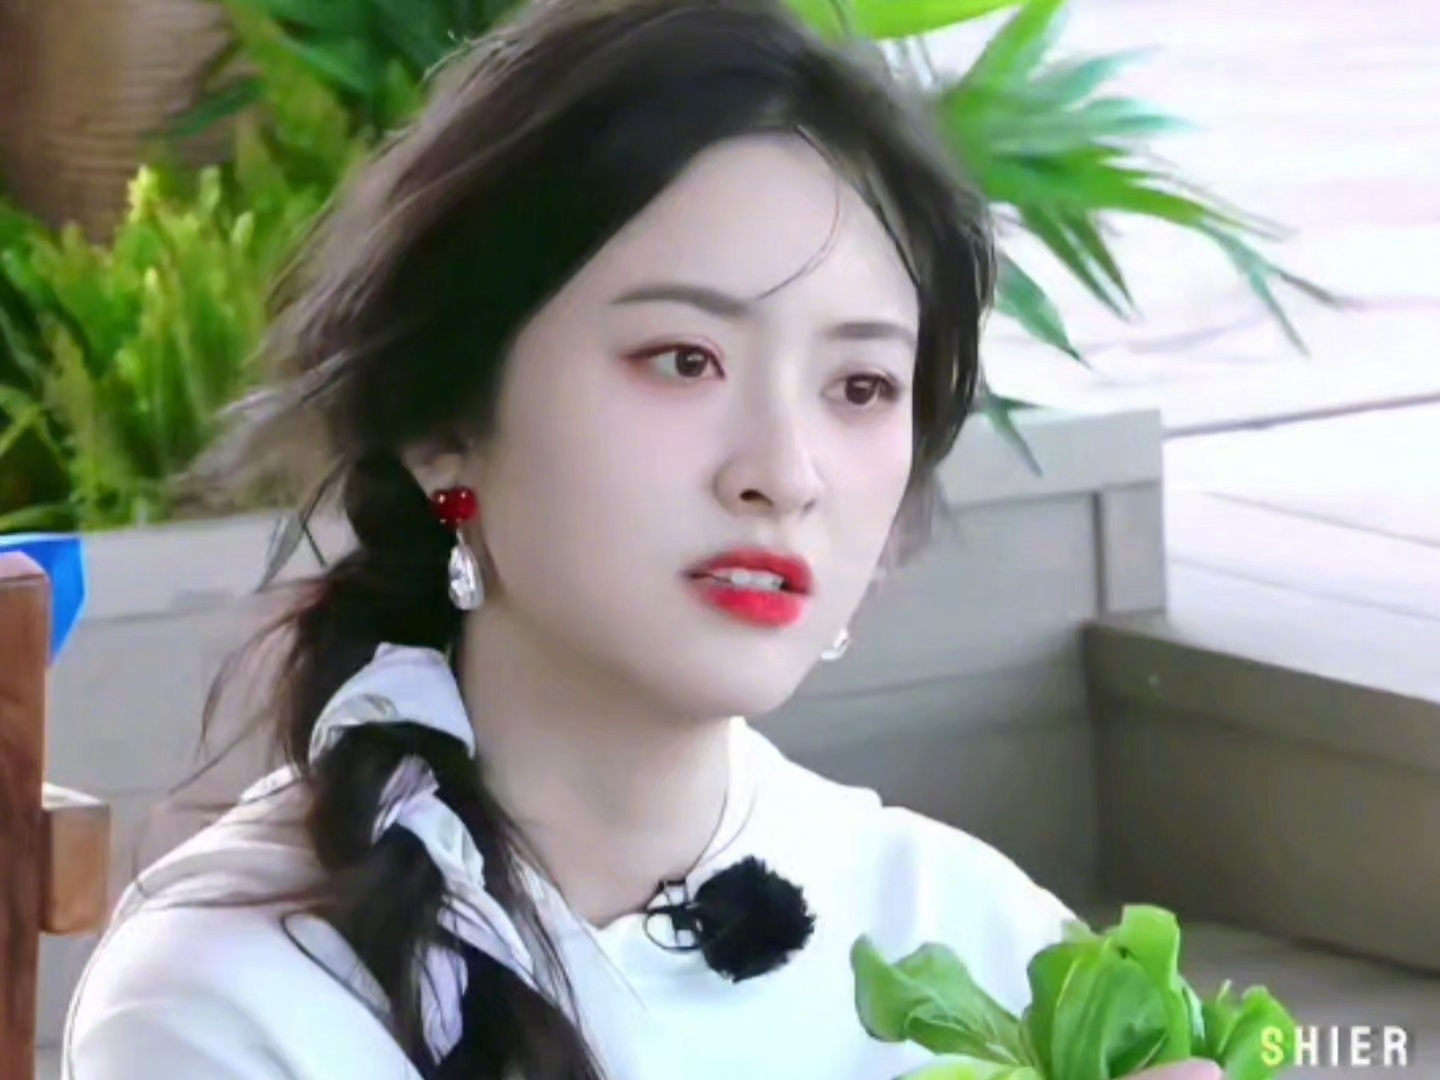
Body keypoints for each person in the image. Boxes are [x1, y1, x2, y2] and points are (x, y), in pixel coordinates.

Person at [61, 2, 1223, 1078]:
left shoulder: (967, 935)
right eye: (684, 360)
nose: (783, 473)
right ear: (446, 427)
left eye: (861, 386)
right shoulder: (232, 1000)